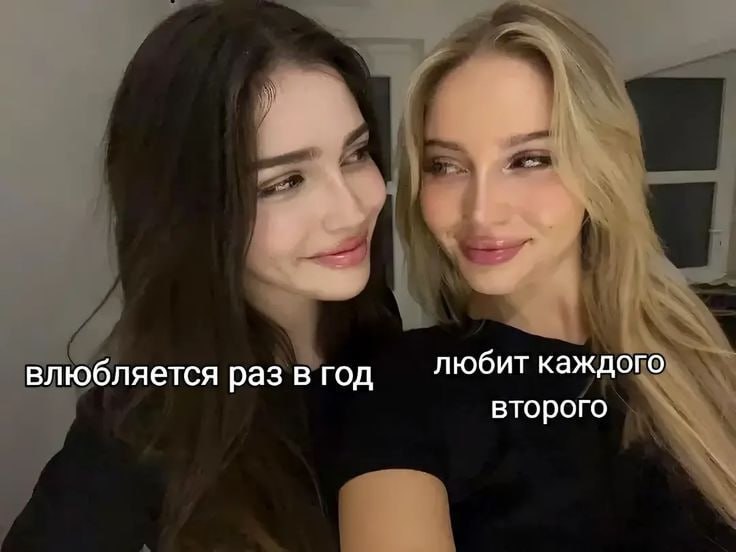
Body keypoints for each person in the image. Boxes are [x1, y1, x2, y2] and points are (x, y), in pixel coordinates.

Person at [327, 1, 736, 551]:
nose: (481, 212)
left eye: (529, 160)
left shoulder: (701, 353)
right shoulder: (397, 386)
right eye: (446, 166)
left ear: (601, 165)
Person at [2, 1, 400, 551]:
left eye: (355, 154)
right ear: (193, 208)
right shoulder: (147, 418)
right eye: (285, 182)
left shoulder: (376, 328)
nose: (353, 208)